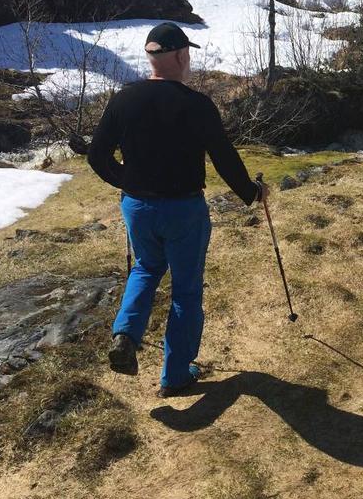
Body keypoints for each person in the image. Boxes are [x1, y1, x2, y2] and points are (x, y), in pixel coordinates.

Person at [88, 22, 270, 397]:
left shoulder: (124, 100)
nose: (189, 60)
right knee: (186, 290)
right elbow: (224, 158)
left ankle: (125, 334)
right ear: (179, 55)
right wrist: (252, 194)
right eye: (187, 54)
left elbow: (96, 156)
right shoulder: (197, 105)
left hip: (137, 207)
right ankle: (175, 375)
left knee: (147, 267)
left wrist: (126, 182)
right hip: (184, 210)